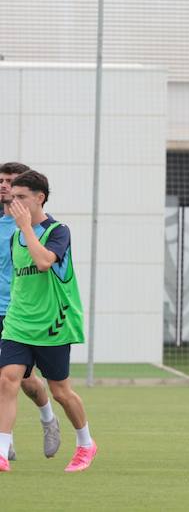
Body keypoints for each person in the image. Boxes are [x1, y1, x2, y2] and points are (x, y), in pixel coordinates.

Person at [0, 171, 95, 473]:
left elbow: (43, 262)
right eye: (12, 197)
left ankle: (85, 443)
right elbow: (20, 281)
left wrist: (27, 228)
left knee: (61, 392)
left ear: (39, 197)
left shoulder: (58, 230)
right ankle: (2, 451)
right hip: (19, 323)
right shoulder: (16, 236)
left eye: (21, 197)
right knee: (7, 380)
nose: (14, 203)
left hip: (53, 325)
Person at [0, 163, 60, 463]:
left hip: (17, 311)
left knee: (24, 380)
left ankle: (48, 418)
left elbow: (46, 263)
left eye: (10, 182)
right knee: (5, 379)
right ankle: (4, 443)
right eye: (1, 181)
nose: (4, 187)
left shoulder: (34, 226)